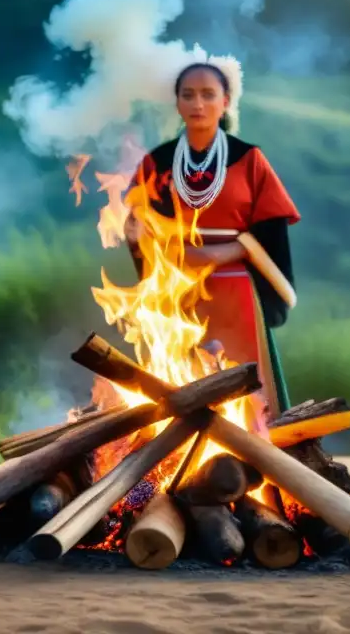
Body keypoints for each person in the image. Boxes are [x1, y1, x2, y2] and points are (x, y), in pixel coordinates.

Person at [124, 56, 300, 421]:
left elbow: (271, 230)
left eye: (208, 94)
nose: (198, 103)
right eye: (188, 95)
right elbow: (137, 228)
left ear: (226, 102)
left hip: (236, 294)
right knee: (179, 389)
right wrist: (160, 249)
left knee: (244, 395)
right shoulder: (157, 162)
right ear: (177, 103)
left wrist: (224, 252)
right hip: (177, 291)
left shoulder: (249, 159)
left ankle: (256, 466)